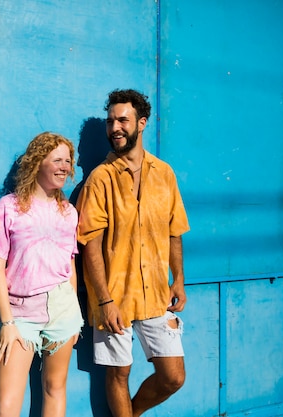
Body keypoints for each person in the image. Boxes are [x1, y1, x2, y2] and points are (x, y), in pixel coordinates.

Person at [76, 89, 190, 417]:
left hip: (156, 292)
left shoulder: (164, 173)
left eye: (122, 120)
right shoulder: (99, 179)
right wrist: (104, 300)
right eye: (110, 121)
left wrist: (179, 279)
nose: (115, 128)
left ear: (141, 123)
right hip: (114, 295)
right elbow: (90, 244)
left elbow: (174, 230)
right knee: (118, 373)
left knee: (173, 376)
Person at [0, 132, 84, 417]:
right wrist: (6, 322)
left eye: (68, 161)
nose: (65, 167)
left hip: (63, 306)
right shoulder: (8, 206)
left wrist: (72, 312)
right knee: (6, 404)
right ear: (37, 163)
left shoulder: (68, 211)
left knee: (54, 388)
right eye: (57, 160)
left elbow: (70, 264)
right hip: (20, 311)